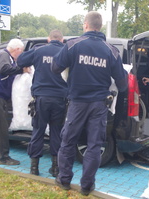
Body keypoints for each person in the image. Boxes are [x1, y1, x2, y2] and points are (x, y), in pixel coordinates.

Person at [51, 11, 128, 196]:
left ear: (86, 25)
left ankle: (64, 180)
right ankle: (87, 186)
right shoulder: (111, 50)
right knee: (94, 145)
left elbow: (55, 68)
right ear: (99, 26)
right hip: (99, 105)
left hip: (77, 102)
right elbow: (123, 84)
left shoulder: (73, 45)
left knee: (68, 141)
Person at [17, 30, 68, 177]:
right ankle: (56, 168)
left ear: (48, 39)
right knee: (56, 132)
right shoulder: (66, 52)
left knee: (38, 131)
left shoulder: (39, 50)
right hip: (60, 99)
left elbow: (20, 61)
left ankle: (34, 168)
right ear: (62, 40)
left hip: (41, 98)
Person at [0, 38, 29, 165]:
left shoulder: (7, 57)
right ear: (17, 49)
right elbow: (3, 69)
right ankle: (3, 158)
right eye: (21, 51)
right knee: (1, 128)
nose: (21, 54)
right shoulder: (4, 55)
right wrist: (21, 70)